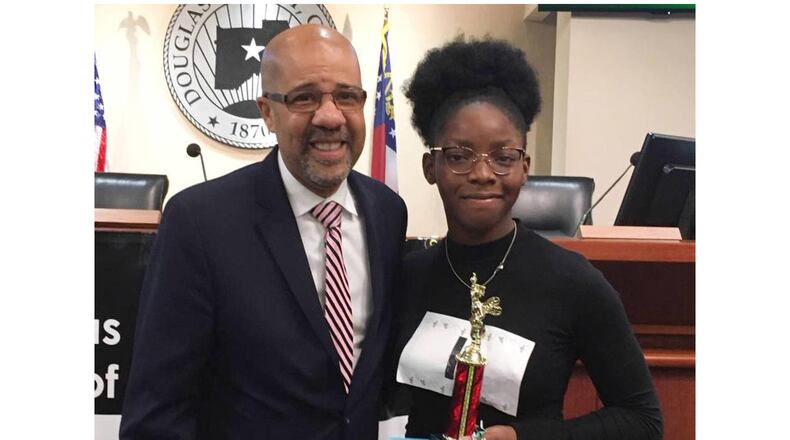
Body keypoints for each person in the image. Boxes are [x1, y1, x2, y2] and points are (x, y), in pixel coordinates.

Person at [120, 24, 407, 439]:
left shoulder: (387, 212)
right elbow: (157, 413)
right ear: (268, 112)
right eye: (304, 97)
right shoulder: (199, 222)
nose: (330, 116)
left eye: (346, 96)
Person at [389, 38, 662, 440]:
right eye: (460, 156)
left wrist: (523, 438)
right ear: (432, 166)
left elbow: (643, 421)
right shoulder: (408, 274)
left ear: (524, 167)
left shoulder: (572, 282)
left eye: (503, 157)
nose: (483, 174)